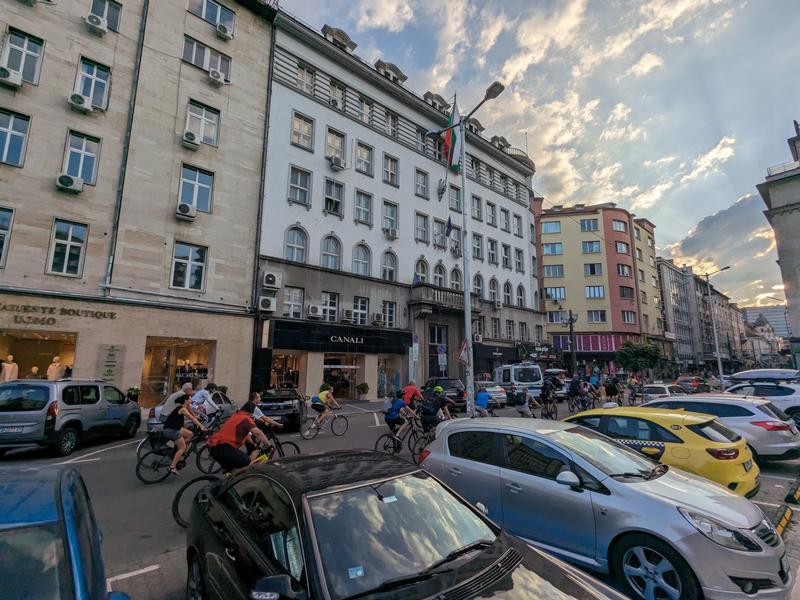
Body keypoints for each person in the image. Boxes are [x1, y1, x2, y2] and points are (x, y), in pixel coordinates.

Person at [207, 401, 271, 474]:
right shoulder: (246, 419)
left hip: (214, 448)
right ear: (250, 413)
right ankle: (236, 472)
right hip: (225, 448)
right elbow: (257, 433)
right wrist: (269, 444)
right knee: (248, 462)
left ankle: (227, 482)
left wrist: (252, 444)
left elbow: (246, 434)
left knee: (235, 469)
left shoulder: (235, 416)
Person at [162, 393, 206, 476]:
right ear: (186, 401)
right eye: (190, 399)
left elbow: (192, 414)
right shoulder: (182, 409)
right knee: (182, 447)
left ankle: (179, 451)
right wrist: (201, 426)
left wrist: (197, 418)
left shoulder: (184, 407)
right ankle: (172, 467)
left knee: (190, 434)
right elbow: (191, 418)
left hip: (172, 428)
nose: (191, 400)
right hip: (171, 431)